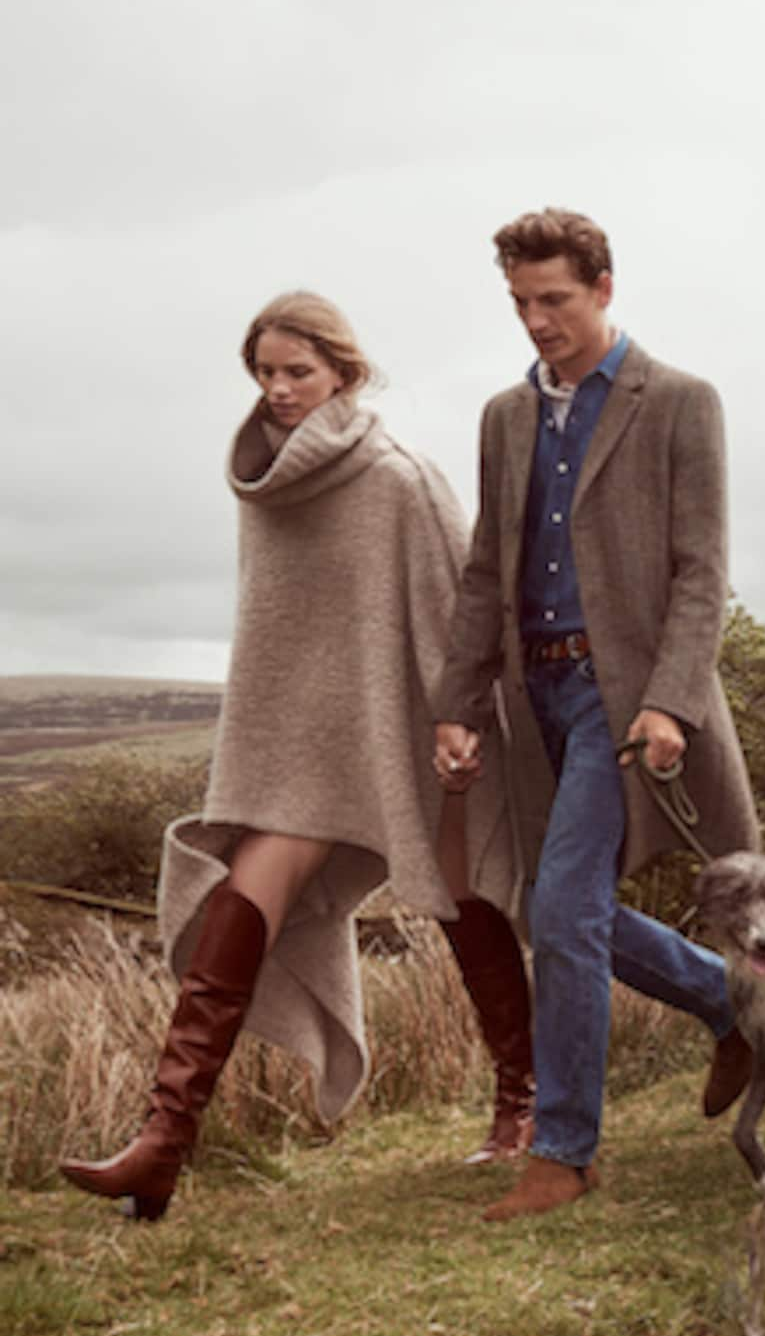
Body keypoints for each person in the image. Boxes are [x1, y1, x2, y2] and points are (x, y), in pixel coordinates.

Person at [61, 294, 530, 1220]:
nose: (278, 391)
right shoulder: (264, 486)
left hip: (410, 729)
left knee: (456, 893)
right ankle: (162, 1144)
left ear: (344, 375)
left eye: (297, 373)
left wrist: (462, 720)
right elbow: (275, 636)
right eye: (266, 374)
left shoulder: (401, 478)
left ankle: (523, 1101)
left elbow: (464, 607)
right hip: (303, 751)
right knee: (241, 900)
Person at [433, 208, 760, 1223]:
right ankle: (734, 1002)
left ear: (603, 286)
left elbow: (701, 574)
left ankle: (564, 1150)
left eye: (555, 300)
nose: (537, 321)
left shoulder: (680, 402)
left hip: (624, 696)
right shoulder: (504, 417)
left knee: (565, 906)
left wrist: (669, 700)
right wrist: (457, 700)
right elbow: (487, 568)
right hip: (533, 699)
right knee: (552, 910)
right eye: (521, 302)